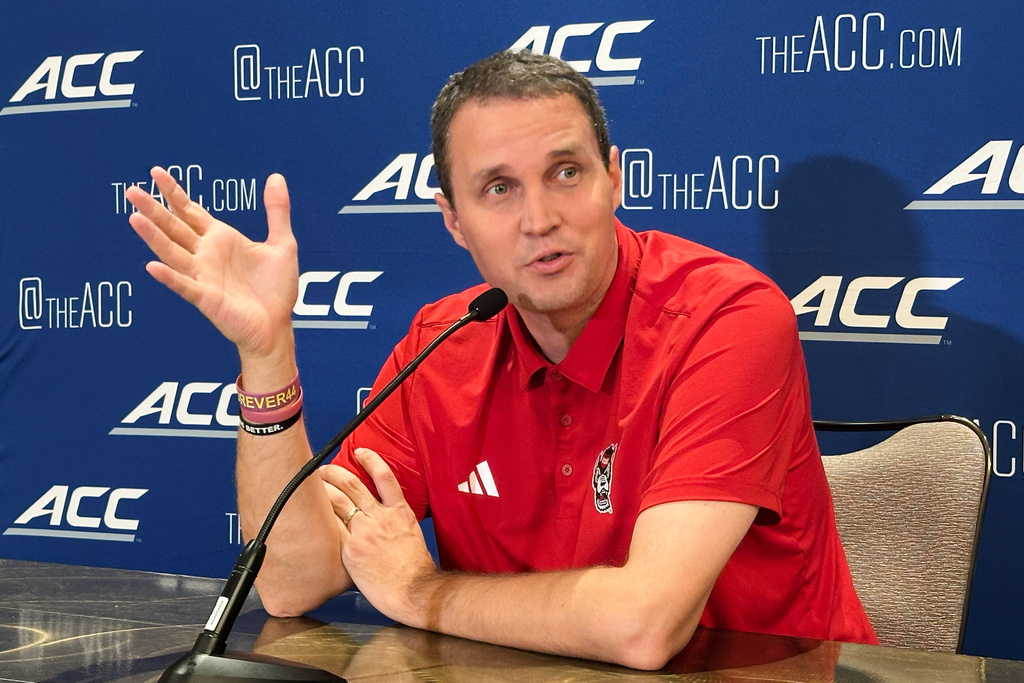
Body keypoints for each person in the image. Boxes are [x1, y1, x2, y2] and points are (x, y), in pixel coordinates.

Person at [126, 50, 876, 670]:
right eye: (498, 188)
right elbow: (293, 581)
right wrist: (267, 354)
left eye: (566, 172)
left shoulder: (727, 317)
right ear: (454, 222)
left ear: (614, 176)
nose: (540, 218)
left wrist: (422, 591)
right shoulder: (442, 343)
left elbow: (644, 625)